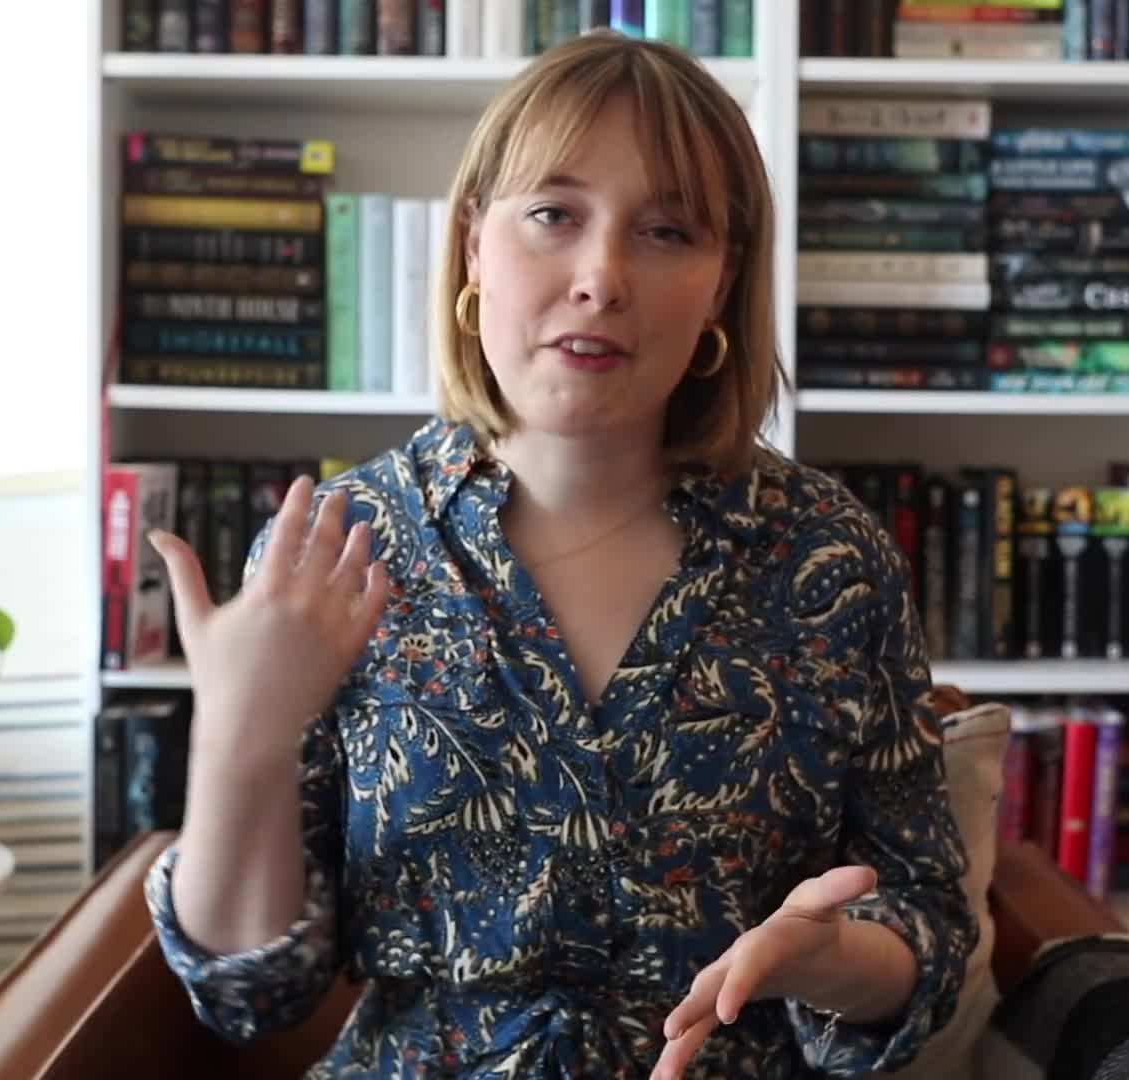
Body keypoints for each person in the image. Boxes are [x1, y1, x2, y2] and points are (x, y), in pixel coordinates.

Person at [142, 29, 976, 1080]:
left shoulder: (826, 553)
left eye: (668, 231)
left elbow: (929, 923)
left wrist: (829, 960)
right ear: (474, 246)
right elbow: (249, 993)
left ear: (723, 282)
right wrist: (241, 739)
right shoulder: (339, 548)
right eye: (554, 215)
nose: (602, 277)